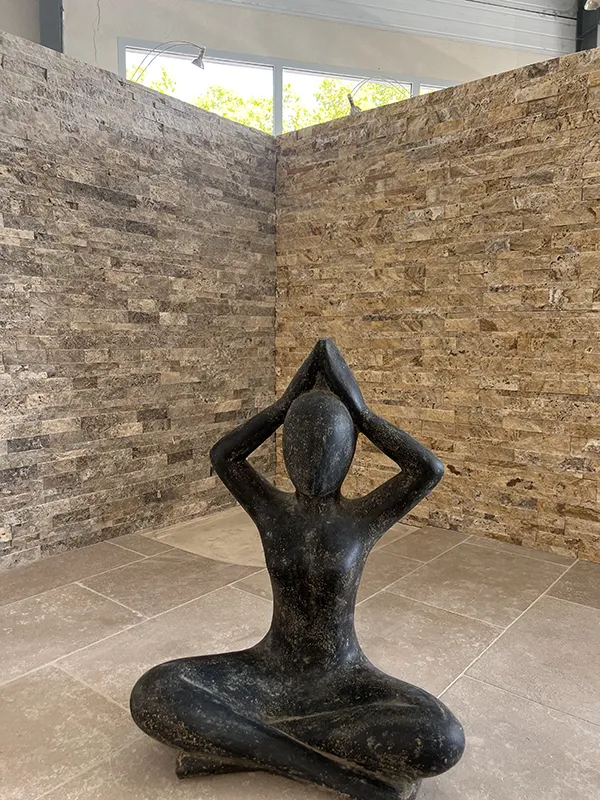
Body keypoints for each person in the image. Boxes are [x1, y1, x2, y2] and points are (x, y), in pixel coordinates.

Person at [130, 339, 465, 800]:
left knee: (443, 737)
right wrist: (280, 407)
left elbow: (427, 469)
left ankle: (237, 741)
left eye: (328, 446)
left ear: (348, 453)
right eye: (299, 446)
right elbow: (225, 456)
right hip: (268, 669)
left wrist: (363, 416)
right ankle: (334, 772)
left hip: (342, 679)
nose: (312, 460)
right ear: (285, 450)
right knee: (154, 692)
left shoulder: (362, 518)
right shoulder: (271, 509)